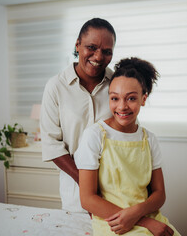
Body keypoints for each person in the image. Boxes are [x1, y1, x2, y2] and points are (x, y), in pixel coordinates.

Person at [75, 57, 181, 235]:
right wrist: (143, 221)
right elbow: (87, 199)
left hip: (148, 216)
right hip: (113, 221)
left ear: (143, 99)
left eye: (131, 98)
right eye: (114, 98)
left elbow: (159, 193)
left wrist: (139, 214)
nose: (122, 106)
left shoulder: (149, 140)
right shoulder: (95, 136)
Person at [40, 18, 116, 213]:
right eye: (91, 47)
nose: (98, 57)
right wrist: (87, 183)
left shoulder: (117, 83)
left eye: (107, 51)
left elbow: (128, 128)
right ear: (77, 45)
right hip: (75, 193)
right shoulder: (56, 87)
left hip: (118, 188)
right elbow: (51, 144)